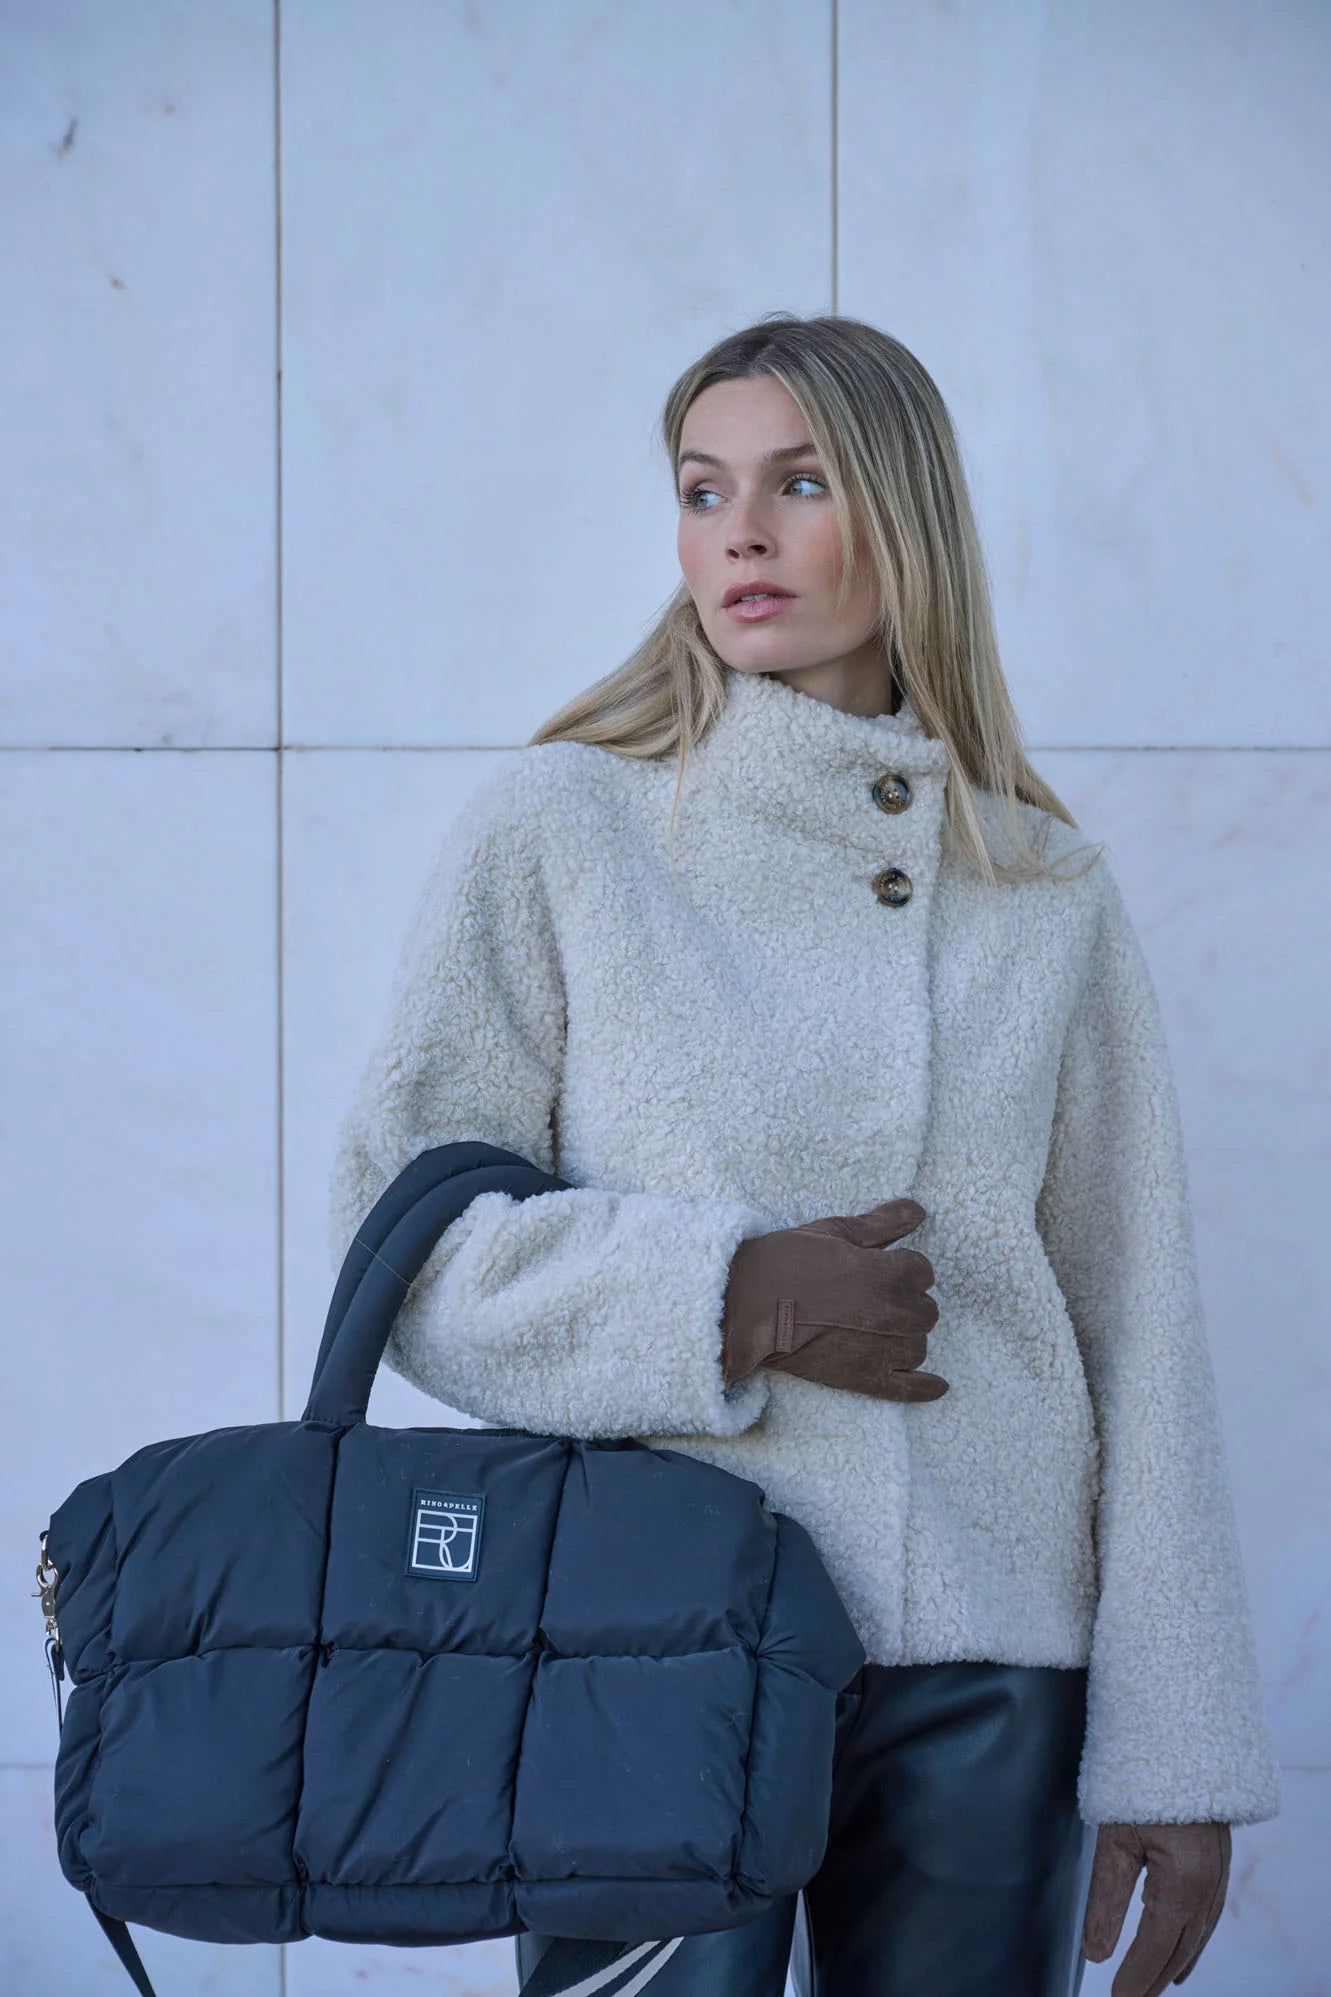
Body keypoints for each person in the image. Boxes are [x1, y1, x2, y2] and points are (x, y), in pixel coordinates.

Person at [327, 315, 1280, 1997]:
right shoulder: (568, 825)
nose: (740, 534)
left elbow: (1141, 1324)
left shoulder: (1046, 889)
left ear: (900, 513)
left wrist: (1175, 1753)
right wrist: (731, 1296)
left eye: (798, 482)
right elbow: (398, 1243)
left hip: (991, 1654)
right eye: (703, 490)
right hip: (650, 1635)